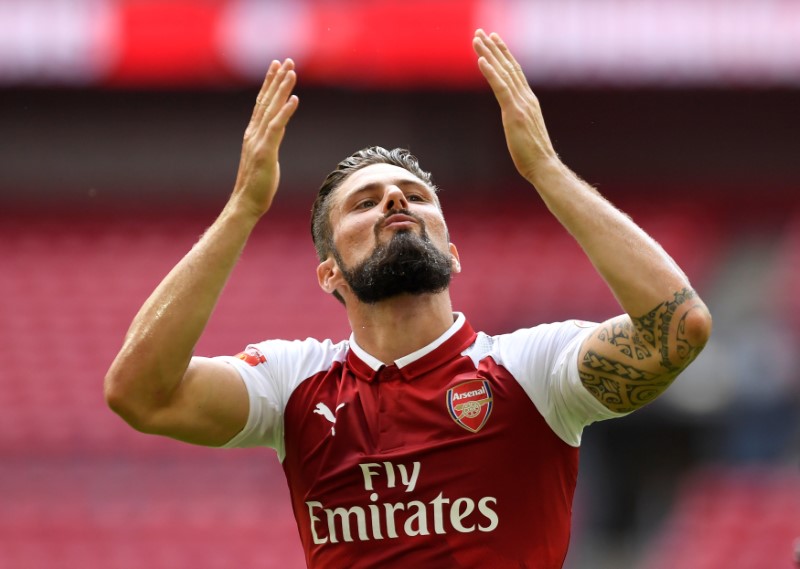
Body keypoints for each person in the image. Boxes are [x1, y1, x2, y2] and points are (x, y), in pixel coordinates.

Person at [105, 30, 712, 568]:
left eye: (416, 197)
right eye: (365, 203)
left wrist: (546, 170)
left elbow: (677, 328)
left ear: (453, 253)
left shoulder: (530, 370)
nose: (396, 201)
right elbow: (139, 394)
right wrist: (243, 210)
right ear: (329, 274)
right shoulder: (293, 384)